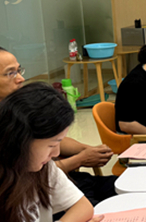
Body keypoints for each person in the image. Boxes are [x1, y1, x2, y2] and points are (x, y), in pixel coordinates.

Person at [0, 47, 118, 208]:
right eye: (10, 73)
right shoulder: (8, 122)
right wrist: (80, 159)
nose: (21, 78)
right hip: (45, 195)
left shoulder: (20, 106)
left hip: (69, 181)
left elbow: (54, 139)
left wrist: (87, 150)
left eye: (19, 70)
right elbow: (31, 172)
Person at [0, 83, 100, 222]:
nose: (56, 153)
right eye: (51, 145)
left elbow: (83, 207)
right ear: (21, 140)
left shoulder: (43, 169)